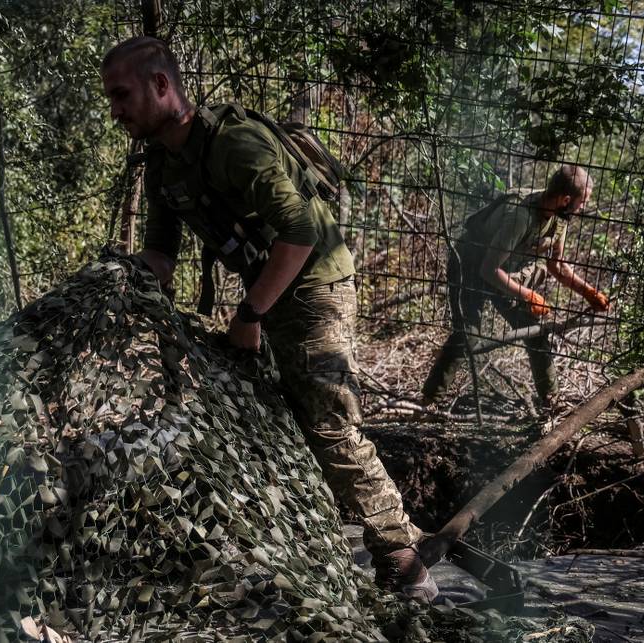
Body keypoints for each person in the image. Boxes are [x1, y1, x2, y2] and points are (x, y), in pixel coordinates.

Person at [100, 36, 437, 600]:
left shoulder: (235, 145)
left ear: (161, 85)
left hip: (315, 281)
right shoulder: (162, 163)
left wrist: (251, 313)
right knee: (279, 415)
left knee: (329, 424)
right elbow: (161, 255)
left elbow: (301, 230)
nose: (115, 110)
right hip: (268, 286)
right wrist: (118, 278)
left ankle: (402, 559)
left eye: (122, 95)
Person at [421, 165, 610, 413]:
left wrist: (589, 293)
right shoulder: (520, 216)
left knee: (534, 330)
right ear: (566, 200)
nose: (582, 207)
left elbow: (556, 264)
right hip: (470, 266)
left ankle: (551, 401)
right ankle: (429, 402)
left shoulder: (559, 217)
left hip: (502, 270)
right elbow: (488, 270)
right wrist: (527, 294)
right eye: (582, 201)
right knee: (468, 332)